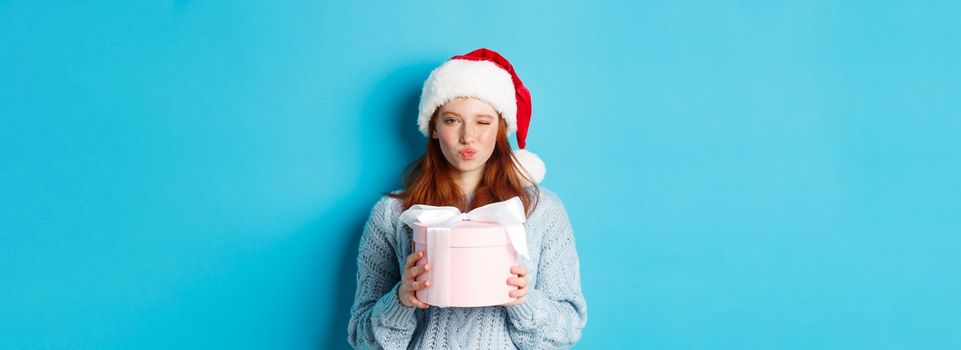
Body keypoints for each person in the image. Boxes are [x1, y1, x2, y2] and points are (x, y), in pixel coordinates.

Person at [348, 48, 587, 349]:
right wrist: (401, 299)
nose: (468, 137)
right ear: (433, 127)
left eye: (483, 122)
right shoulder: (393, 213)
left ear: (501, 129)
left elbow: (565, 333)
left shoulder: (542, 210)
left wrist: (522, 299)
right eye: (452, 121)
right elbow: (362, 339)